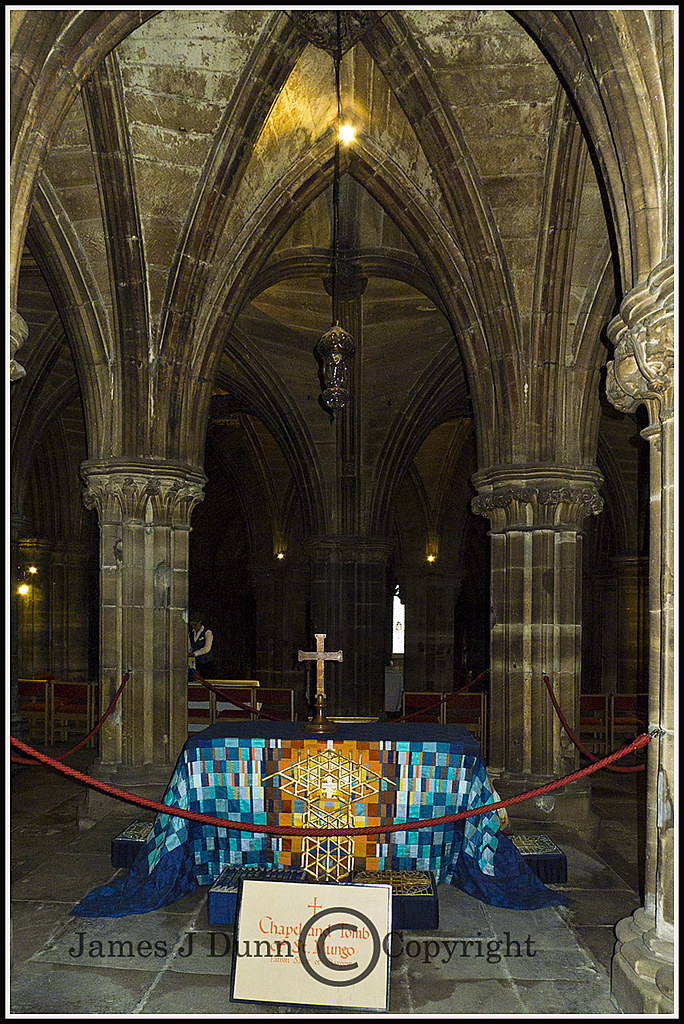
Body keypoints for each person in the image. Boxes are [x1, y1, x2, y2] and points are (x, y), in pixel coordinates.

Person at [188, 615, 214, 679]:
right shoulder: (190, 634)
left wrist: (195, 653)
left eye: (195, 625)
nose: (193, 627)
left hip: (207, 663)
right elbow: (190, 648)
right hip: (196, 663)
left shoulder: (207, 632)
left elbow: (207, 648)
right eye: (192, 625)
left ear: (200, 622)